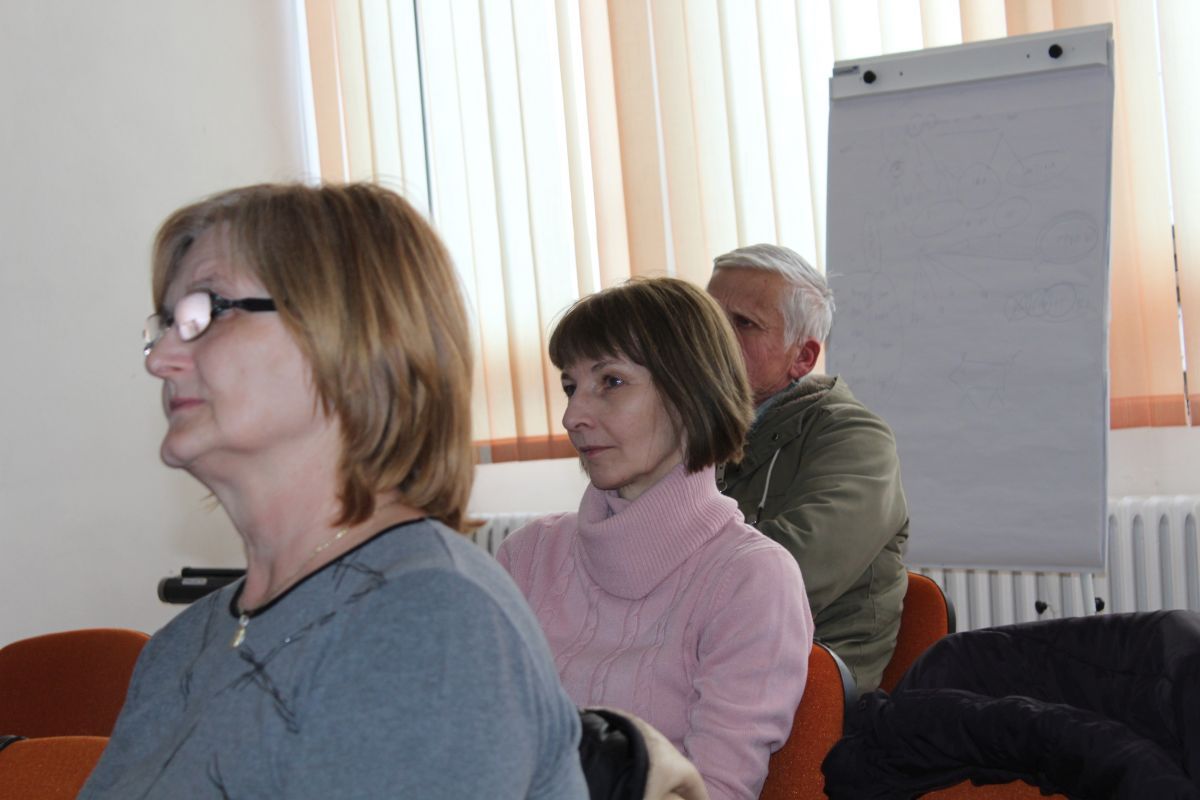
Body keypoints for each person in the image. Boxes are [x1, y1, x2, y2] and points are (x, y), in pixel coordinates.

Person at [79, 183, 587, 798]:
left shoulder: (427, 619)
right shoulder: (178, 648)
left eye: (204, 313)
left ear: (350, 335)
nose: (159, 358)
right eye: (165, 325)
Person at [497, 277, 813, 800]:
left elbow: (714, 792)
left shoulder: (751, 578)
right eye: (571, 386)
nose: (573, 416)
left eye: (611, 381)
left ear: (691, 393)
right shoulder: (528, 555)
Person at [706, 243, 909, 692]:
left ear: (802, 357)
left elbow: (784, 574)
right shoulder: (688, 430)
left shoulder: (854, 437)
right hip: (702, 659)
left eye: (742, 323)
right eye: (706, 317)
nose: (712, 337)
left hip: (803, 680)